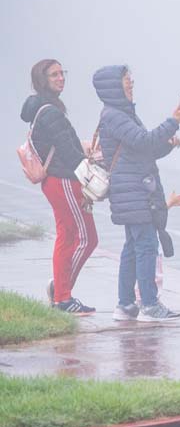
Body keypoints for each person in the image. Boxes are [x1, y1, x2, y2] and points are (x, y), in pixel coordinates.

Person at [92, 65, 180, 322]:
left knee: (133, 248)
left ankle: (125, 305)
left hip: (131, 190)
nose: (131, 82)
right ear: (113, 85)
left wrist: (168, 143)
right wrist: (173, 122)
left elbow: (144, 149)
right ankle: (149, 305)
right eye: (125, 79)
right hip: (134, 191)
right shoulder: (115, 116)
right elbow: (145, 141)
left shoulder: (121, 114)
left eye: (130, 78)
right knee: (145, 246)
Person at [19, 59, 98, 314]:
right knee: (85, 238)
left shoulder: (45, 109)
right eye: (54, 75)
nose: (60, 78)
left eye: (62, 73)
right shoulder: (50, 112)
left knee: (69, 236)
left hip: (56, 181)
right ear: (43, 80)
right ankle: (62, 295)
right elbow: (69, 153)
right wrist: (90, 181)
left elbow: (67, 146)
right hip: (64, 180)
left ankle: (61, 291)